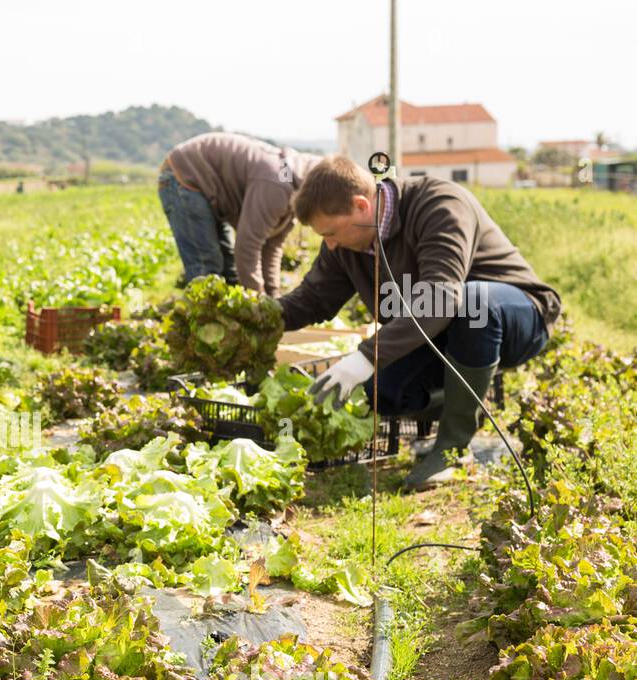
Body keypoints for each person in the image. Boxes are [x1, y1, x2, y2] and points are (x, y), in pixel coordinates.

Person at [279, 156, 560, 488]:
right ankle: (468, 402)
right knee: (382, 392)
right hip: (440, 332)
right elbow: (311, 300)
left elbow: (442, 297)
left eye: (331, 232)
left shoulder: (439, 203)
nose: (329, 243)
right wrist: (258, 317)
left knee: (472, 303)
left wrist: (368, 355)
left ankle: (453, 450)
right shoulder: (346, 244)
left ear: (360, 205)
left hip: (516, 316)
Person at [159, 132, 320, 295]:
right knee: (207, 267)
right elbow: (248, 244)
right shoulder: (277, 184)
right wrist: (257, 299)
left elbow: (272, 245)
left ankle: (221, 316)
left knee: (230, 271)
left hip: (212, 190)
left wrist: (273, 292)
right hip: (185, 175)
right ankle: (201, 317)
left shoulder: (293, 192)